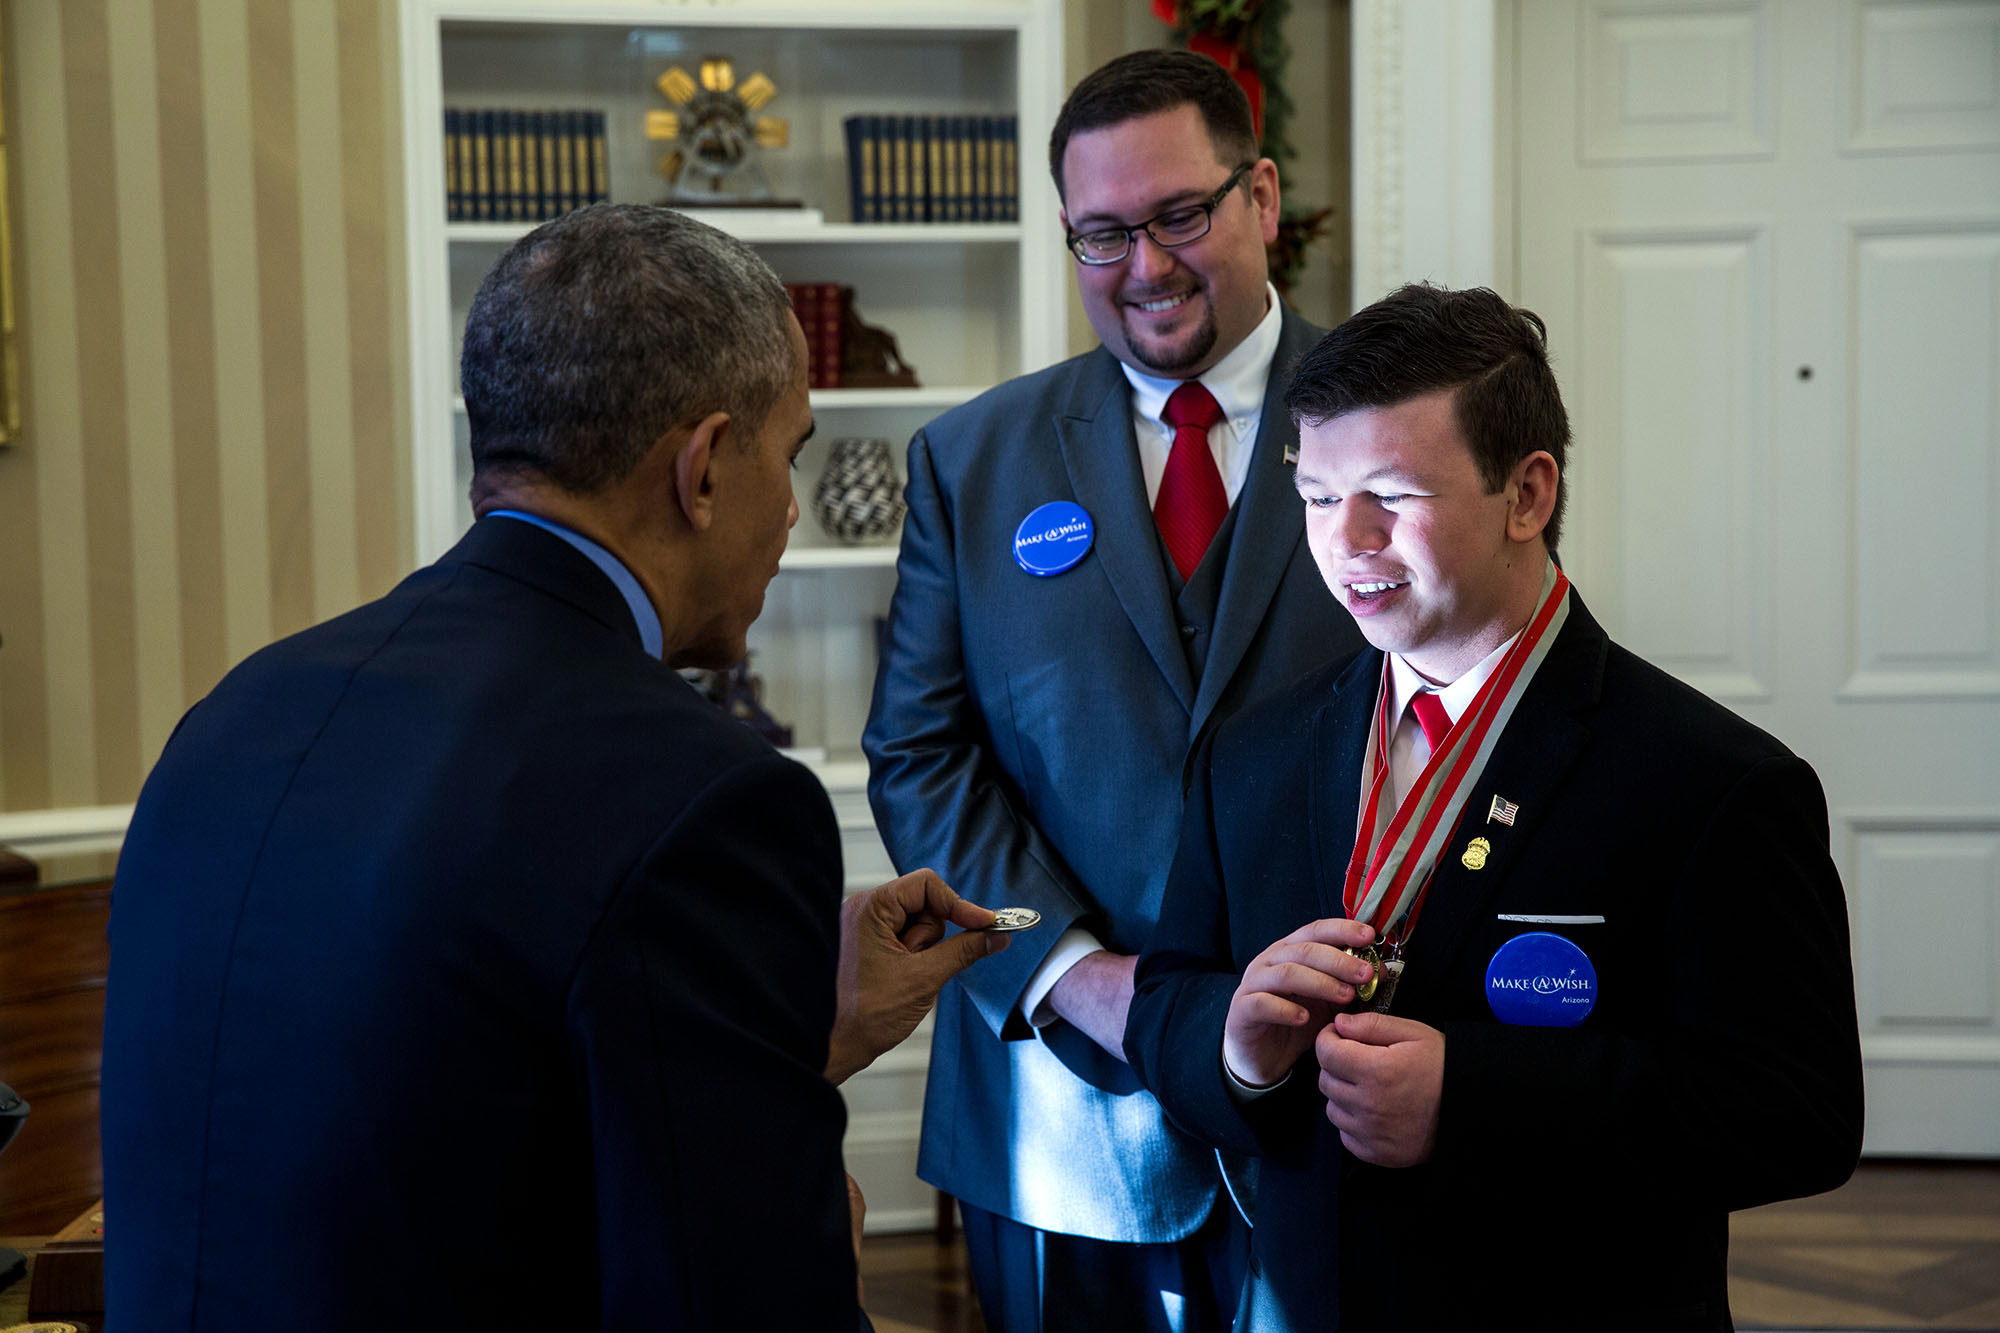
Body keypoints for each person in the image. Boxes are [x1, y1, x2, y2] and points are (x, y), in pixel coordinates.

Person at [99, 203, 1005, 1332]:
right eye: (790, 453)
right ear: (704, 466)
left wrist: (779, 1026)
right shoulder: (702, 794)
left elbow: (416, 1108)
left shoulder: (240, 707)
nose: (787, 511)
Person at [1124, 283, 1865, 1331]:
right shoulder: (1251, 752)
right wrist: (1234, 1046)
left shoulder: (1715, 782)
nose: (1349, 541)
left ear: (1525, 494)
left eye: (1393, 492)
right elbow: (1164, 1006)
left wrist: (1471, 1099)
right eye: (1320, 496)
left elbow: (1800, 1117)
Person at [863, 48, 1365, 1332]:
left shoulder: (1397, 420)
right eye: (1101, 235)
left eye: (1179, 216)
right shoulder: (967, 461)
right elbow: (922, 750)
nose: (1144, 267)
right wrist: (1079, 976)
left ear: (1258, 195)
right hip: (1056, 1105)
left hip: (1338, 1088)